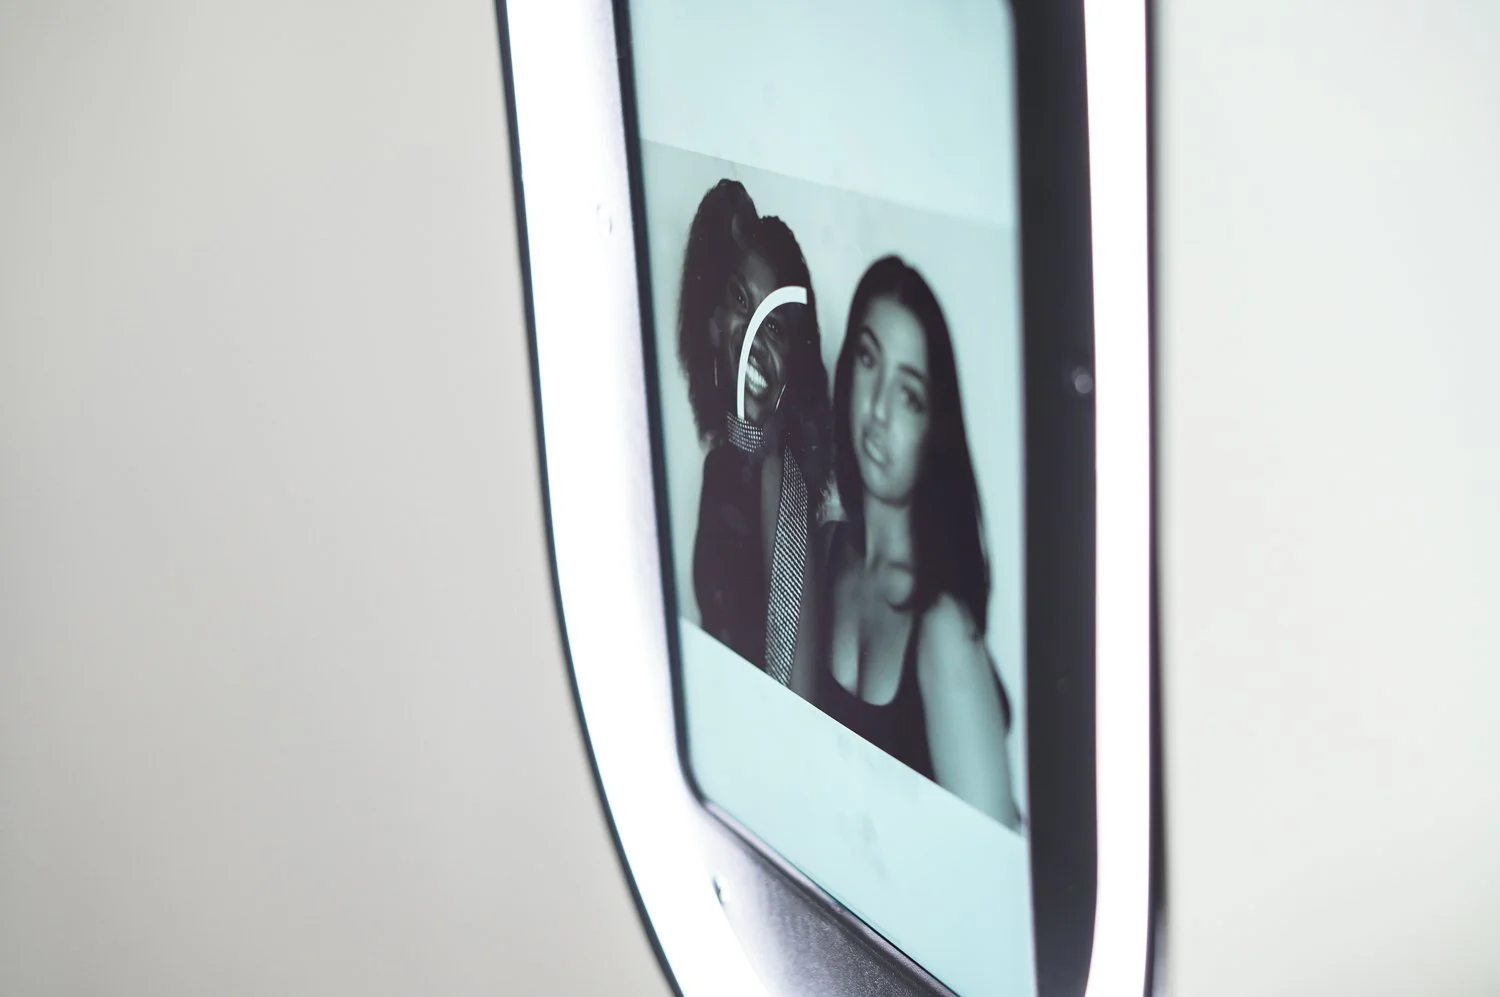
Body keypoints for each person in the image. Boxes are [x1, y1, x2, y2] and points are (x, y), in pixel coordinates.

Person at [815, 255, 1022, 828]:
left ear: (934, 427)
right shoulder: (826, 552)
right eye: (866, 359)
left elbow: (989, 881)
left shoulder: (942, 630)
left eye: (908, 395)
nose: (877, 412)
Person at [676, 180, 831, 695]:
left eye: (778, 327)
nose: (755, 336)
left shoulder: (775, 475)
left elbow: (796, 701)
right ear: (717, 321)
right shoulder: (725, 460)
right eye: (744, 300)